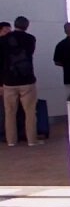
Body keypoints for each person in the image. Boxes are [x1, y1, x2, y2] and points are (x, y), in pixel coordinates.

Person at [1, 16, 39, 147]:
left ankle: (11, 141)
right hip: (27, 80)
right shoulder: (31, 39)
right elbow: (30, 53)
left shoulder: (3, 40)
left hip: (9, 81)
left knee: (10, 112)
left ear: (14, 24)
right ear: (27, 26)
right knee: (30, 112)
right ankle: (32, 140)